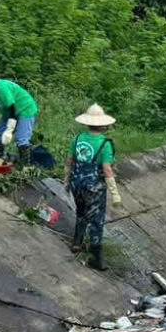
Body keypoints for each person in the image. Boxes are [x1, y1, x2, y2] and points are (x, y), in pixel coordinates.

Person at [64, 104, 122, 271]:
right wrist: (115, 193)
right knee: (96, 220)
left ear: (87, 123)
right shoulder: (105, 144)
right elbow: (107, 169)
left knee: (81, 212)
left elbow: (69, 161)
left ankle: (76, 243)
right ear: (104, 125)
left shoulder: (76, 139)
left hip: (77, 183)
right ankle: (95, 258)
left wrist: (66, 181)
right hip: (93, 187)